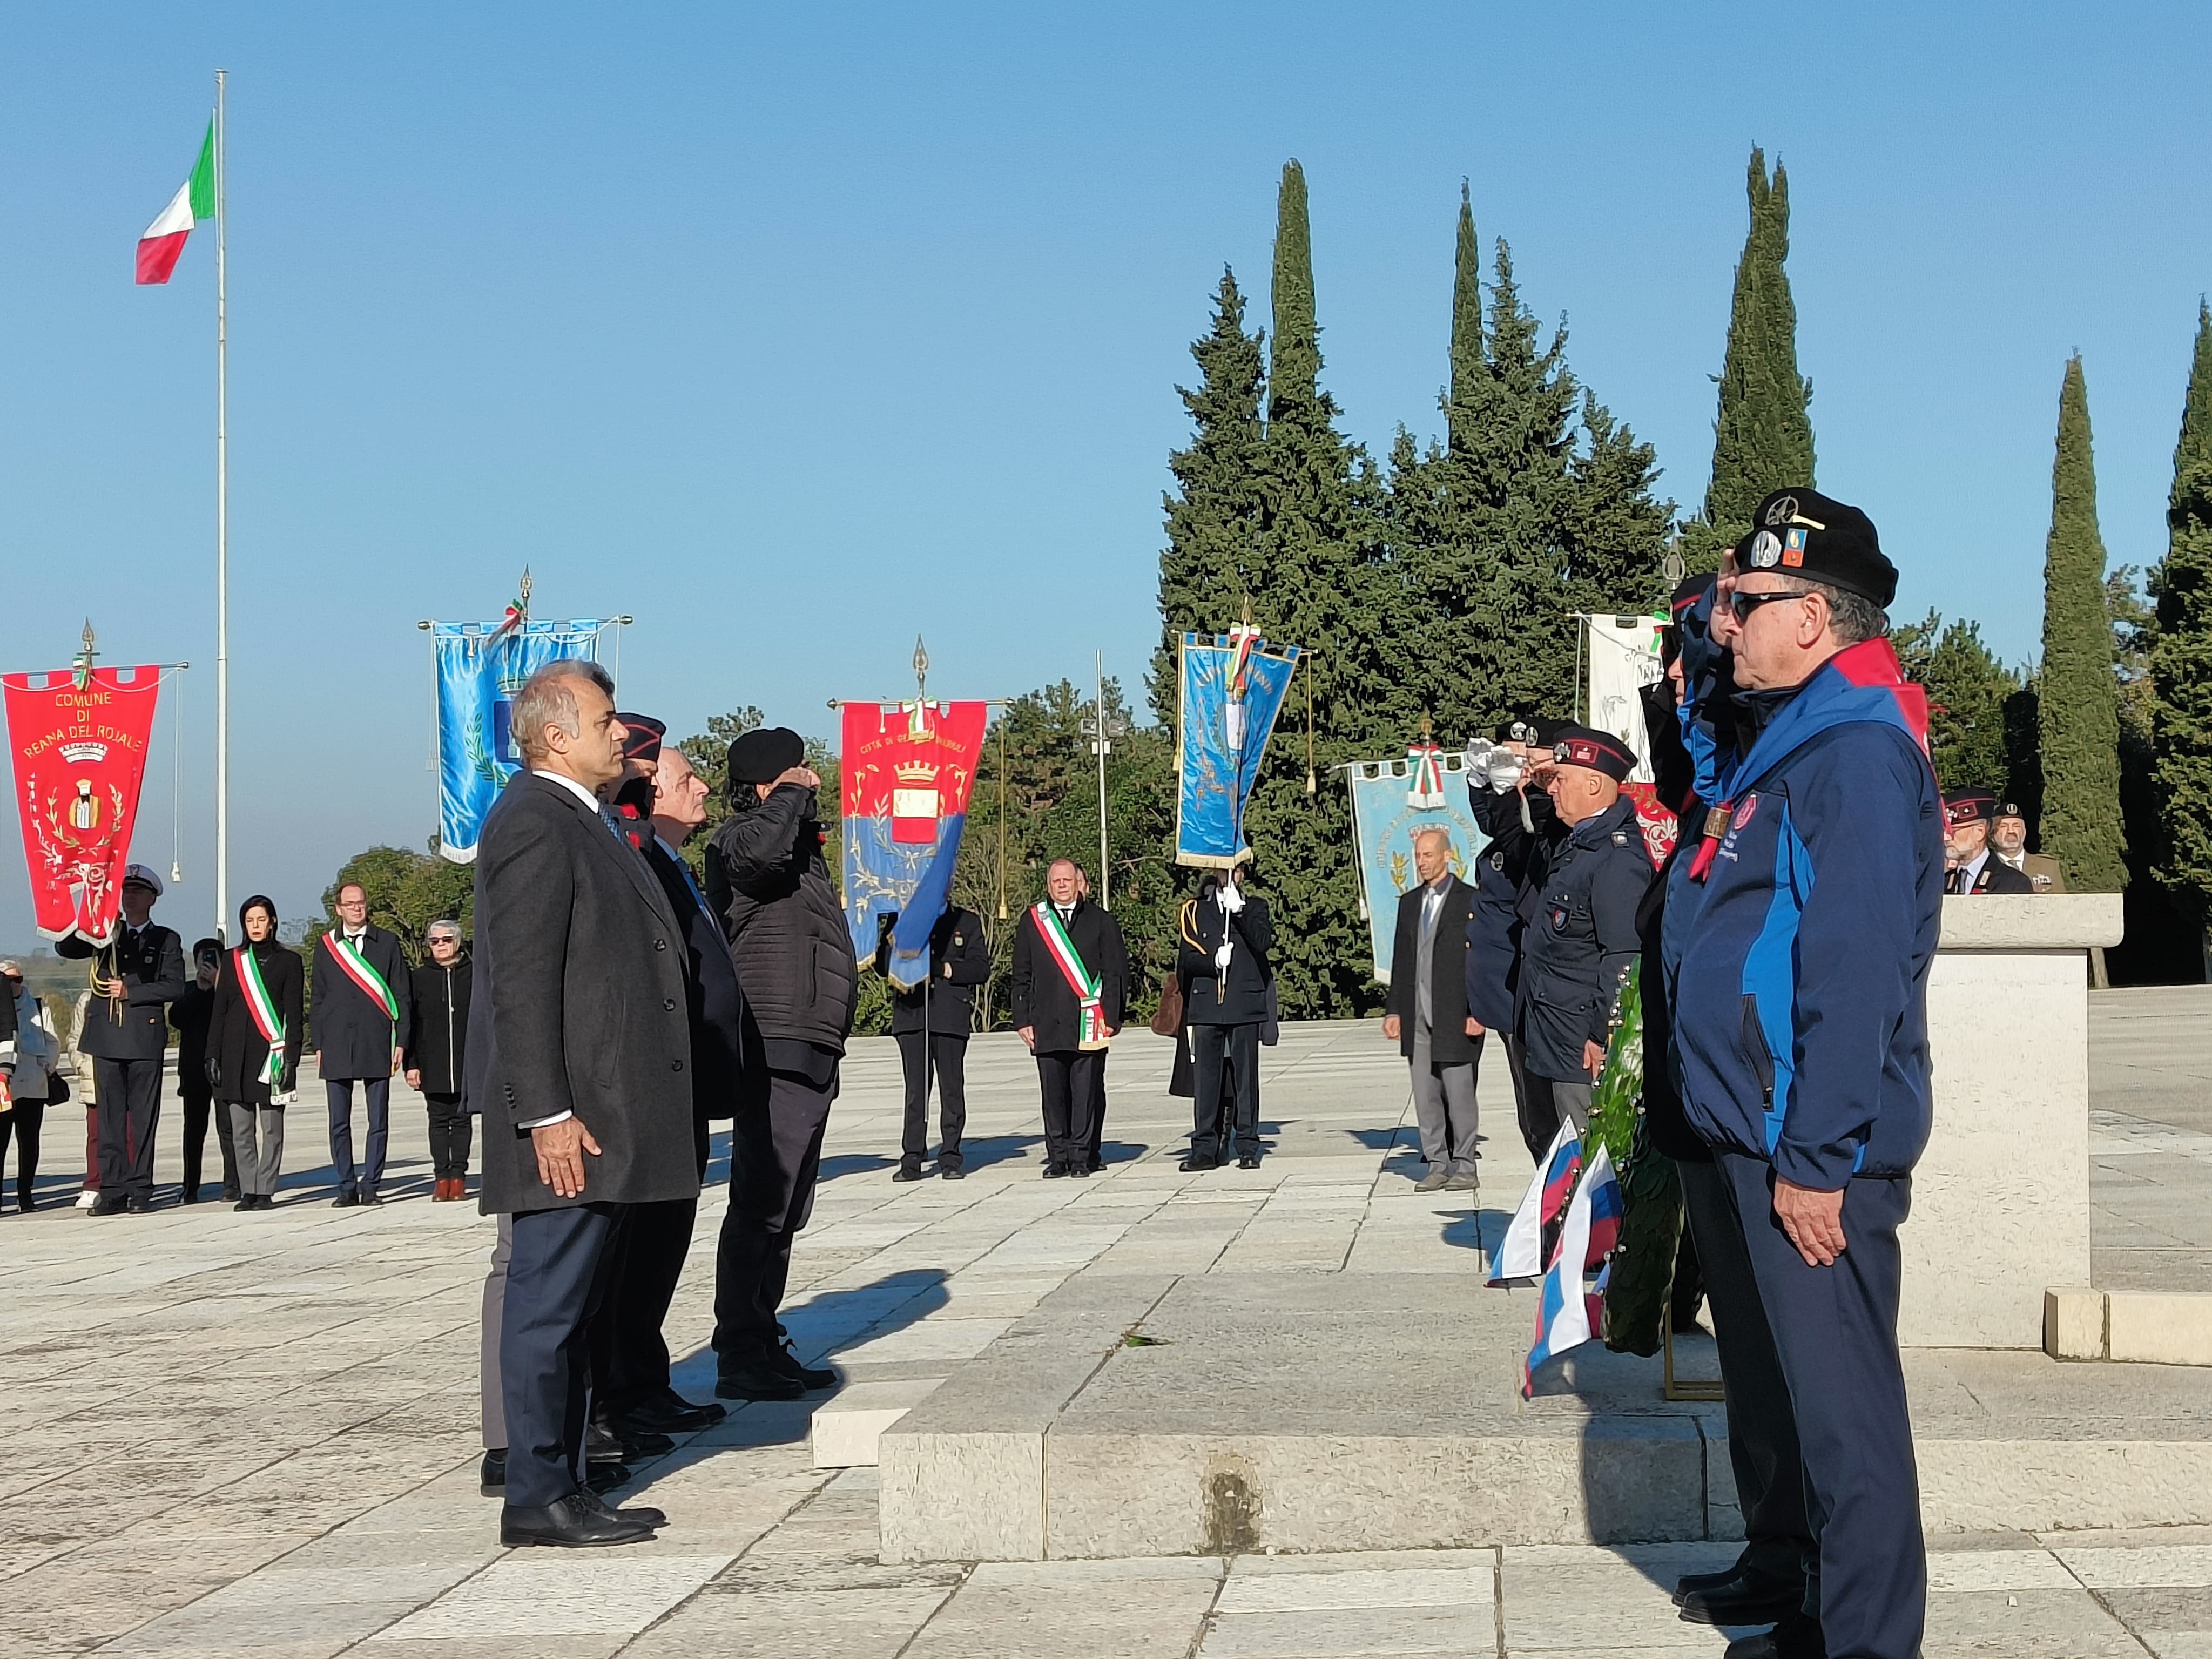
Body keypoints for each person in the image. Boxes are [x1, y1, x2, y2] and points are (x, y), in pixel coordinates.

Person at [1676, 487, 1940, 1659]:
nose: (1721, 623)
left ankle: (1869, 1645)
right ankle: (1810, 1616)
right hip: (1748, 1129)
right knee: (1790, 1402)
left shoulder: (1857, 755)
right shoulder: (1787, 736)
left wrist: (1818, 1156)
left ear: (1816, 616)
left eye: (1744, 603)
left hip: (1804, 1145)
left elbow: (1852, 968)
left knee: (1845, 1426)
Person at [469, 660, 693, 1549]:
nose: (620, 736)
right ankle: (536, 1491)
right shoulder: (533, 821)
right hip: (571, 1121)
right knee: (547, 1306)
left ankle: (563, 1475)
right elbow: (520, 983)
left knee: (576, 1307)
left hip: (603, 1114)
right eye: (606, 721)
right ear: (555, 733)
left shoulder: (581, 817)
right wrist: (546, 1112)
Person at [1646, 569, 1815, 1634]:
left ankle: (1815, 1584)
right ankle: (1771, 1549)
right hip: (1700, 1109)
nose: (1687, 677)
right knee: (1749, 1357)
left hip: (1762, 1113)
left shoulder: (1785, 761)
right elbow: (1684, 761)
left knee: (1795, 1364)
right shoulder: (1712, 802)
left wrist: (1713, 646)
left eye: (1706, 645)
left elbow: (1736, 718)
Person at [706, 726, 858, 1402]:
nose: (814, 778)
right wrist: (788, 797)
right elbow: (756, 858)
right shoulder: (738, 837)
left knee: (789, 1205)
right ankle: (739, 1349)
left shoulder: (796, 846)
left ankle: (761, 1339)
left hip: (810, 1041)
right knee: (762, 1203)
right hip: (774, 1040)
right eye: (799, 769)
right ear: (769, 783)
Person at [599, 734, 737, 1439]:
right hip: (650, 1083)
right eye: (689, 778)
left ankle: (644, 1383)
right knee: (636, 1250)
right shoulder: (637, 859)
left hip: (685, 1082)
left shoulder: (670, 861)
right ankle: (621, 1392)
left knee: (664, 1245)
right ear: (651, 792)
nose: (704, 788)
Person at [1513, 727, 1653, 1152]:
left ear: (1594, 785)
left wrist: (1602, 1034)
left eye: (1561, 780)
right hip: (1555, 1039)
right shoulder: (1577, 846)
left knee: (1587, 1164)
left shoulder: (1615, 858)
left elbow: (1624, 956)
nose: (1552, 790)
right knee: (1558, 1159)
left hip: (1581, 1049)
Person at [1464, 720, 1569, 1161]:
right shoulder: (1515, 825)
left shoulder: (1552, 825)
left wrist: (1505, 791)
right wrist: (1479, 783)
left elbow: (1520, 837)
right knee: (1535, 1119)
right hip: (1510, 989)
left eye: (1523, 762)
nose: (1517, 771)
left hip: (1539, 989)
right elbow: (1498, 828)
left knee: (1550, 1121)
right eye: (1507, 762)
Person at [59, 864, 186, 1215]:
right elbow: (65, 947)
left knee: (143, 1117)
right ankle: (113, 1189)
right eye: (125, 890)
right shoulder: (105, 933)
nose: (129, 896)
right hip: (106, 1037)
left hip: (142, 1035)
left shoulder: (165, 939)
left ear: (151, 899)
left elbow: (174, 986)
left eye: (137, 891)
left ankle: (140, 1188)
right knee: (110, 1118)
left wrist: (132, 990)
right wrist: (91, 915)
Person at [1013, 858, 1129, 1178]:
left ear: (1078, 882)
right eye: (1055, 882)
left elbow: (1116, 973)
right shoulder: (1033, 921)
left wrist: (1113, 1017)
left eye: (1066, 880)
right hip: (1046, 1023)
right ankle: (1058, 1156)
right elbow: (1021, 973)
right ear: (1048, 885)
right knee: (1053, 1096)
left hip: (1089, 1022)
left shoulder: (1101, 921)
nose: (1061, 886)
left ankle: (1081, 1156)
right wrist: (1022, 1019)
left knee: (1086, 1093)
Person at [1383, 827, 1481, 1192]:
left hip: (1456, 1012)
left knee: (1459, 1094)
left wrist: (1478, 1011)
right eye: (1418, 856)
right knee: (1424, 1094)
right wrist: (1394, 1011)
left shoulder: (1470, 901)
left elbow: (1480, 961)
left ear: (1447, 856)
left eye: (1429, 855)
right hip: (1416, 1014)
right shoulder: (1409, 903)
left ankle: (1465, 1164)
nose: (1422, 862)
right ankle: (1437, 1162)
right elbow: (1402, 961)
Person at [313, 882, 413, 1207]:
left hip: (377, 1039)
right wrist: (319, 1042)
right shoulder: (326, 946)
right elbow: (318, 997)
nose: (356, 908)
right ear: (339, 909)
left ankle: (371, 1185)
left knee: (378, 1120)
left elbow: (402, 995)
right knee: (338, 1122)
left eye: (361, 903)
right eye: (349, 904)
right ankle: (345, 1185)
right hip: (338, 1041)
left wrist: (403, 1040)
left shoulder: (388, 943)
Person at [210, 896, 306, 1211]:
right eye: (250, 921)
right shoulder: (232, 960)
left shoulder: (289, 962)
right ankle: (247, 1188)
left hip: (271, 1056)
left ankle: (265, 1189)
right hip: (235, 1054)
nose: (255, 926)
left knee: (271, 1128)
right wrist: (212, 1054)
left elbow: (294, 1013)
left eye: (261, 920)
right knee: (240, 1129)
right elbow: (219, 1011)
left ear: (272, 922)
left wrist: (291, 1058)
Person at [1176, 858, 1271, 1171]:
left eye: (1236, 870)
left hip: (1243, 1003)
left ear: (1243, 874)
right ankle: (1205, 1146)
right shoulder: (1196, 911)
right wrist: (1213, 962)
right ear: (1215, 872)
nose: (1230, 875)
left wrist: (1240, 911)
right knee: (1206, 1082)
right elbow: (1187, 960)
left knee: (1246, 1082)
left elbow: (1263, 942)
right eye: (1224, 870)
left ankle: (1246, 1144)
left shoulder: (1255, 906)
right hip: (1207, 1005)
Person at [882, 905, 989, 1181]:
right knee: (916, 1092)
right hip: (912, 1015)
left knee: (952, 1090)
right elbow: (883, 965)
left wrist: (946, 969)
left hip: (949, 1016)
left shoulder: (966, 920)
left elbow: (980, 969)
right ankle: (912, 1157)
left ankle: (951, 1156)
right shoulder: (902, 919)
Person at [403, 920, 474, 1201]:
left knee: (461, 1120)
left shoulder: (474, 973)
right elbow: (411, 1023)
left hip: (465, 1062)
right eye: (434, 941)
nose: (440, 945)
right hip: (431, 1062)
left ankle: (458, 1177)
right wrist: (412, 1063)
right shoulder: (419, 978)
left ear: (457, 942)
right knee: (437, 1120)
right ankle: (440, 1177)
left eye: (446, 940)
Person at [171, 939, 238, 1203]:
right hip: (193, 1072)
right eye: (202, 960)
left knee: (228, 1129)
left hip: (224, 1069)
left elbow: (236, 1015)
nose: (206, 964)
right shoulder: (187, 990)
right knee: (193, 1132)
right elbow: (176, 1019)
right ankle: (190, 1186)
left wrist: (219, 983)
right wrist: (200, 989)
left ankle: (232, 1184)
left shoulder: (230, 989)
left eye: (212, 959)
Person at [0, 961, 61, 1211]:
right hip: (6, 1085)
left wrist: (47, 1064)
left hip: (34, 1082)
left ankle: (26, 1195)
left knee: (29, 1142)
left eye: (17, 979)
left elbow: (53, 1039)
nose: (13, 985)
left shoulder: (37, 1005)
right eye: (6, 980)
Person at [1944, 792, 2033, 894]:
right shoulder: (1944, 882)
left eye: (1953, 832)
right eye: (1945, 832)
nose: (1946, 838)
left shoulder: (2013, 883)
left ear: (1979, 832)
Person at [1992, 802, 2066, 892]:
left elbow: (2062, 904)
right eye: (2003, 826)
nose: (2011, 831)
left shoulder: (2048, 867)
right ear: (1992, 834)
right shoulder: (1985, 868)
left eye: (2016, 826)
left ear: (2024, 832)